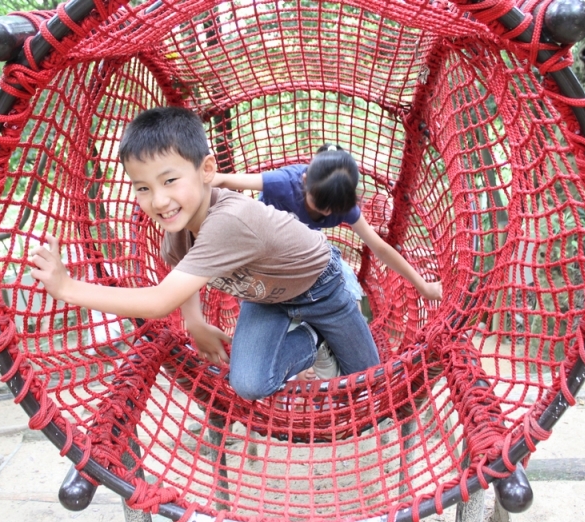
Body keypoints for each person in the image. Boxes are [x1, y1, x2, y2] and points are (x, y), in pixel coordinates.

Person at [29, 107, 379, 401]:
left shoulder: (229, 221)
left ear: (207, 170)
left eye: (170, 181)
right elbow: (179, 268)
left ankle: (326, 323)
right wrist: (195, 322)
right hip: (265, 296)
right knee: (249, 385)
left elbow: (158, 301)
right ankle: (314, 339)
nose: (159, 200)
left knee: (368, 383)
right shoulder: (177, 230)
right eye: (143, 188)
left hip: (320, 286)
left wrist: (67, 288)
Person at [213, 143, 442, 306]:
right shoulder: (284, 182)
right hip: (264, 239)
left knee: (348, 289)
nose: (324, 212)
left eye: (332, 209)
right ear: (304, 181)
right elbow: (224, 180)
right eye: (318, 203)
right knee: (258, 296)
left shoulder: (344, 206)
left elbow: (380, 248)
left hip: (299, 247)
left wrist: (423, 286)